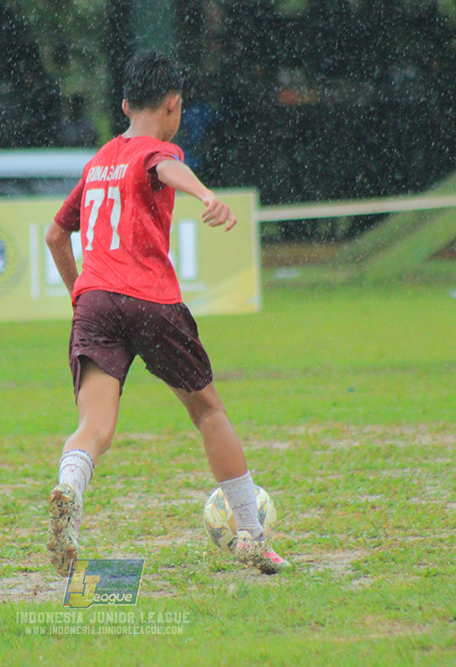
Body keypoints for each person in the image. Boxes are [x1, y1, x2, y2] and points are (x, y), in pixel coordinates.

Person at [44, 50, 291, 578]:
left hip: (96, 301)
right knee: (207, 410)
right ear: (173, 105)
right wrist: (204, 193)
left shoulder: (98, 162)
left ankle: (69, 486)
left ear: (126, 103)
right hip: (150, 299)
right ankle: (250, 534)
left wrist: (80, 297)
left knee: (95, 426)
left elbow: (55, 234)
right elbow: (164, 165)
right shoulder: (158, 150)